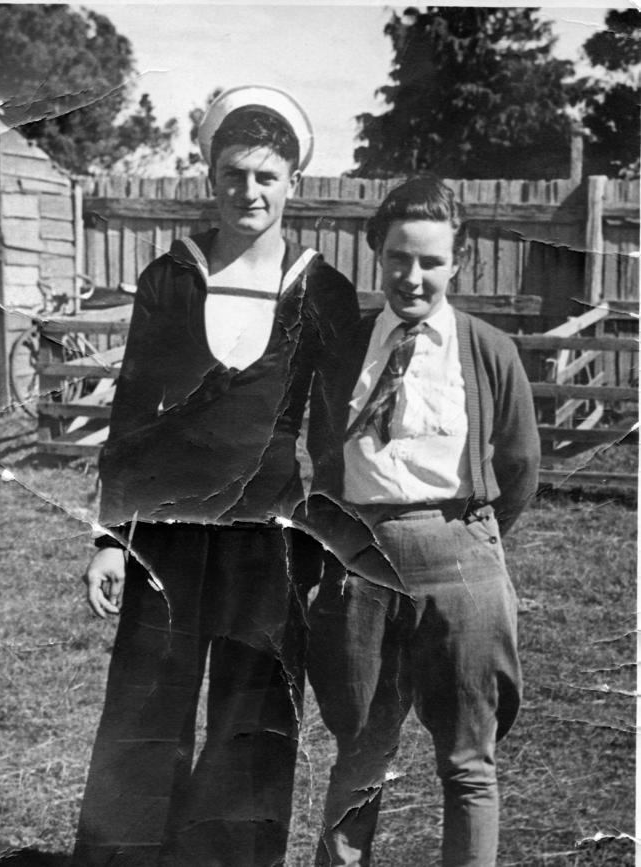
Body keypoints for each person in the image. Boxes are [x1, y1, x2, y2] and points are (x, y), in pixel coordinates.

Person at [72, 85, 359, 867]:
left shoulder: (323, 291)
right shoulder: (170, 277)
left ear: (294, 182)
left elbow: (331, 438)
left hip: (266, 533)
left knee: (252, 710)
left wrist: (333, 541)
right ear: (211, 177)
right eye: (234, 174)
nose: (250, 192)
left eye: (267, 176)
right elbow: (131, 412)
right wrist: (109, 537)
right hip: (167, 528)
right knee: (146, 703)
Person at [301, 175, 540, 867]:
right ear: (377, 254)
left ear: (456, 262)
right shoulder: (346, 346)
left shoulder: (489, 349)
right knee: (361, 753)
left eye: (431, 261)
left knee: (468, 759)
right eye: (399, 258)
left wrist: (470, 541)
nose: (413, 277)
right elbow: (324, 456)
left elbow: (520, 464)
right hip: (364, 562)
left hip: (461, 560)